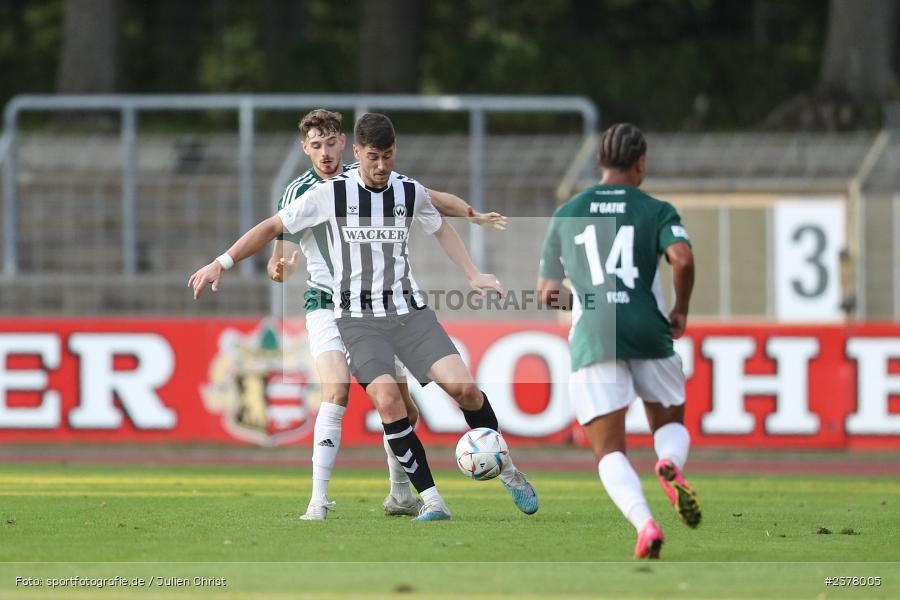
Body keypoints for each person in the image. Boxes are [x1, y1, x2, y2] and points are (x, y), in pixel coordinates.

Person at [190, 112, 538, 522]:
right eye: (373, 157)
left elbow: (438, 222)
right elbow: (272, 228)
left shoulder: (407, 189)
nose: (380, 166)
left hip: (409, 313)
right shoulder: (327, 194)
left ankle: (510, 471)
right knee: (388, 402)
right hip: (356, 318)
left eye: (387, 156)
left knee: (465, 391)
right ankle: (430, 500)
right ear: (358, 152)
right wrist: (222, 262)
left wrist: (473, 271)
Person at [270, 109, 508, 520]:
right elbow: (282, 244)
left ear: (345, 144)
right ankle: (317, 501)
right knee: (337, 391)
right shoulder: (301, 192)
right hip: (329, 302)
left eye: (330, 144)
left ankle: (401, 494)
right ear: (304, 148)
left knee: (405, 410)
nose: (325, 153)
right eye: (315, 146)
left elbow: (428, 197)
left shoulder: (368, 172)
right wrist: (282, 264)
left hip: (382, 305)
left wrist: (472, 214)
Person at [537, 123, 700, 559]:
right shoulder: (656, 209)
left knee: (609, 451)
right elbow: (681, 258)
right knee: (669, 424)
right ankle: (671, 465)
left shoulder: (567, 212)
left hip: (595, 335)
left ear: (600, 164)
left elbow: (547, 292)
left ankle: (645, 524)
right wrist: (680, 308)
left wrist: (587, 297)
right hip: (649, 328)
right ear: (641, 163)